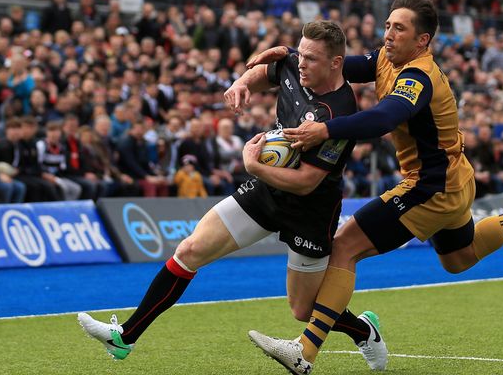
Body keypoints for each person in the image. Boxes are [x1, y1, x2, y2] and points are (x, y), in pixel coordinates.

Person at [246, 0, 503, 375]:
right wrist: (289, 58)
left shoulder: (419, 75)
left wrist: (324, 129)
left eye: (399, 28)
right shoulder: (385, 58)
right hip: (454, 179)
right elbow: (335, 65)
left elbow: (383, 117)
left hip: (430, 187)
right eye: (387, 25)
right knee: (459, 259)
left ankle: (305, 350)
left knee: (345, 246)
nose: (389, 34)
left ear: (422, 40)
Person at [77, 20, 388, 370]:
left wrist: (253, 167)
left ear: (336, 63)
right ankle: (125, 337)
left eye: (312, 59)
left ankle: (363, 329)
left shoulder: (340, 113)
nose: (301, 63)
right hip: (265, 193)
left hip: (310, 210)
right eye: (300, 54)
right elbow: (266, 73)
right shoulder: (293, 66)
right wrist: (242, 83)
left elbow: (306, 182)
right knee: (190, 249)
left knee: (303, 310)